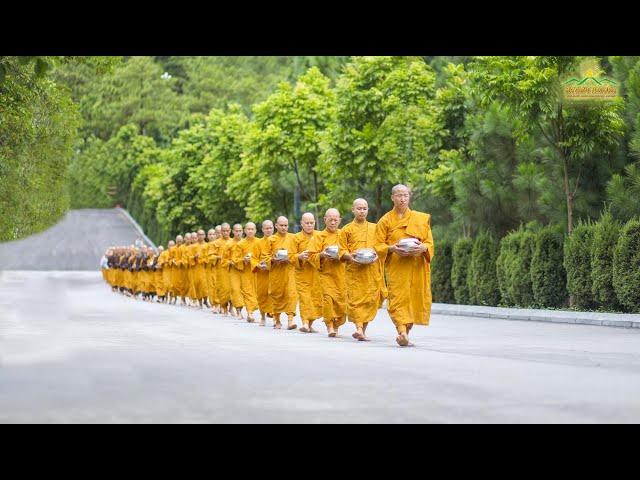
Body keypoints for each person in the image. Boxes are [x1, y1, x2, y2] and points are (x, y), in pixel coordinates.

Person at [375, 184, 434, 347]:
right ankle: (401, 331)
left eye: (405, 195)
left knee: (414, 300)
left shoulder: (420, 218)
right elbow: (378, 245)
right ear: (392, 197)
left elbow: (429, 242)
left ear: (409, 197)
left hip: (416, 266)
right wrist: (392, 248)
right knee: (398, 300)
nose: (402, 199)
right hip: (397, 266)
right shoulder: (385, 221)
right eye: (399, 195)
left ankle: (405, 334)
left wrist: (423, 248)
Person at [340, 198, 386, 341]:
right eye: (359, 208)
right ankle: (359, 328)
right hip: (355, 271)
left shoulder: (375, 227)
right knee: (355, 301)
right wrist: (349, 256)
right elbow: (341, 250)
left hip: (371, 271)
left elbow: (381, 246)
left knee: (369, 302)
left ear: (368, 210)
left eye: (364, 208)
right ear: (353, 210)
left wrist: (377, 256)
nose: (362, 211)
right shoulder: (346, 229)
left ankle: (362, 331)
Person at [308, 208, 346, 338]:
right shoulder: (318, 236)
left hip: (341, 275)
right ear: (325, 220)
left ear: (340, 220)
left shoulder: (343, 234)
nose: (333, 222)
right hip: (326, 274)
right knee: (328, 300)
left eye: (336, 220)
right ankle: (329, 325)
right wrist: (322, 255)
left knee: (342, 303)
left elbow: (349, 251)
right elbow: (311, 255)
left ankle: (336, 324)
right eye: (331, 220)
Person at [261, 216, 297, 330]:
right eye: (281, 225)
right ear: (276, 226)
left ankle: (290, 321)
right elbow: (265, 256)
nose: (283, 227)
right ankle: (277, 320)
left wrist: (290, 258)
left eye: (286, 225)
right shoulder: (271, 239)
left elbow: (296, 254)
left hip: (289, 271)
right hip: (276, 272)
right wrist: (273, 259)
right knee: (277, 295)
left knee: (291, 295)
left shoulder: (293, 238)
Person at [292, 213, 323, 333]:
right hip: (302, 273)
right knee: (305, 298)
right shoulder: (296, 238)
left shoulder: (319, 236)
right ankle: (305, 323)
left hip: (316, 273)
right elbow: (291, 256)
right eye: (307, 223)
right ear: (301, 223)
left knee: (315, 299)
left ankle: (310, 324)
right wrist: (299, 256)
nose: (309, 225)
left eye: (311, 223)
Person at [232, 222, 260, 322]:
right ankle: (250, 313)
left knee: (257, 293)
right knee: (248, 292)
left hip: (257, 272)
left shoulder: (259, 242)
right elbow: (235, 259)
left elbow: (263, 255)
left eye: (252, 229)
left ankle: (255, 312)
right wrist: (244, 260)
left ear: (255, 230)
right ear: (245, 230)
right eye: (248, 229)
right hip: (246, 272)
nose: (250, 231)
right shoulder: (240, 244)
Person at [253, 220, 274, 326]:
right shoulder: (258, 243)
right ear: (262, 230)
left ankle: (276, 317)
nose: (269, 230)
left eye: (270, 228)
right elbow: (254, 258)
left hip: (274, 273)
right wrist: (258, 265)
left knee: (274, 294)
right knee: (262, 295)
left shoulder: (277, 241)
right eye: (266, 228)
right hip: (262, 274)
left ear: (273, 228)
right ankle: (262, 317)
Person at [214, 223, 234, 316]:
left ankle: (231, 308)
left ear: (230, 231)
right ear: (221, 231)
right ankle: (224, 308)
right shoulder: (216, 243)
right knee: (224, 290)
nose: (226, 232)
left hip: (233, 268)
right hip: (221, 270)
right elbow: (210, 256)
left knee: (233, 289)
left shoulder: (234, 241)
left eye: (227, 230)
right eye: (224, 231)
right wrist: (217, 257)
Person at [229, 223, 245, 318]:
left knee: (244, 291)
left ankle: (241, 309)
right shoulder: (229, 244)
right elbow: (224, 259)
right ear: (233, 231)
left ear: (242, 231)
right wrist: (230, 262)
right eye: (236, 231)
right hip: (233, 270)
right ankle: (238, 311)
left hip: (244, 270)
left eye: (240, 231)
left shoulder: (245, 242)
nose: (238, 233)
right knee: (235, 290)